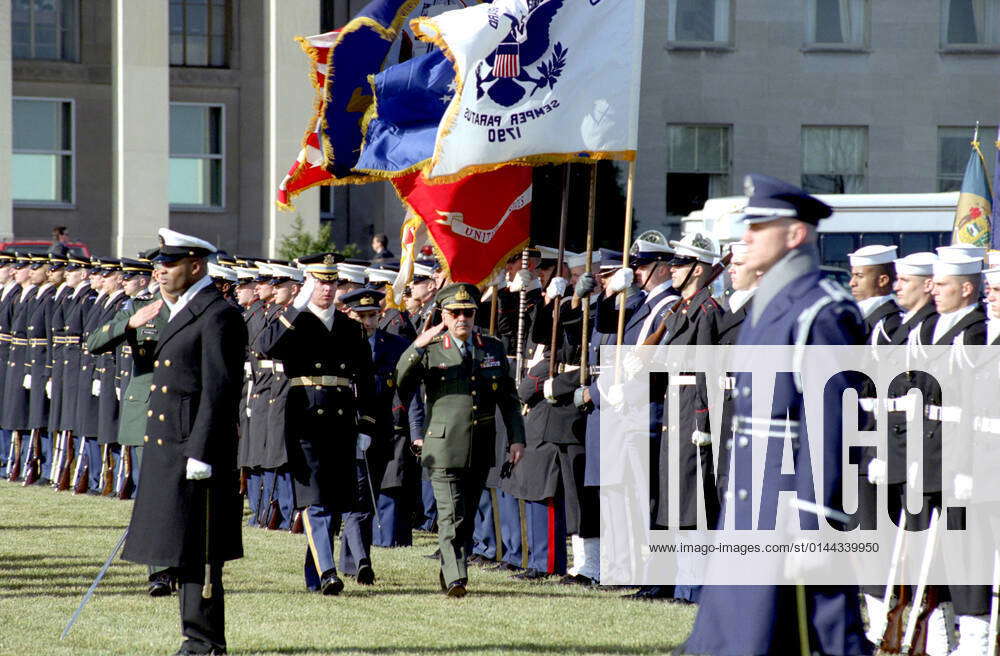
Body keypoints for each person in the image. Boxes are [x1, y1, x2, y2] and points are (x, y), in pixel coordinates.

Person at [681, 174, 872, 656]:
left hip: (790, 514)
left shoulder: (823, 309)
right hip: (752, 508)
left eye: (759, 225)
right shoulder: (771, 302)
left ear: (796, 234)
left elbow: (833, 423)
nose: (746, 236)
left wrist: (813, 522)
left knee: (815, 638)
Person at [121, 228, 247, 656]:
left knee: (201, 548)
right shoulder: (182, 310)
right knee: (180, 545)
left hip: (194, 449)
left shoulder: (218, 314)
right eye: (158, 263)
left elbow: (220, 390)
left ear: (196, 266)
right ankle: (194, 637)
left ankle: (206, 640)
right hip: (172, 445)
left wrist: (203, 450)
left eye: (169, 263)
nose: (159, 270)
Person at [256, 252, 378, 596]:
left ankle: (315, 573)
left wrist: (366, 426)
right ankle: (328, 572)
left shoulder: (350, 327)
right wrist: (296, 307)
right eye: (319, 282)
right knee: (314, 500)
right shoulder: (294, 321)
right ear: (308, 284)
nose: (326, 289)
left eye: (331, 282)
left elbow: (366, 379)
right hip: (305, 418)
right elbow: (265, 347)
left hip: (341, 420)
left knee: (335, 501)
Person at [397, 282, 526, 597]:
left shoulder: (492, 347)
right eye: (455, 313)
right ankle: (458, 578)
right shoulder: (432, 347)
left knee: (467, 516)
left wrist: (516, 438)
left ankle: (450, 570)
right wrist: (417, 345)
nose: (462, 319)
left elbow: (508, 398)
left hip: (480, 444)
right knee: (450, 514)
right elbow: (400, 380)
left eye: (468, 312)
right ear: (443, 314)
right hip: (442, 446)